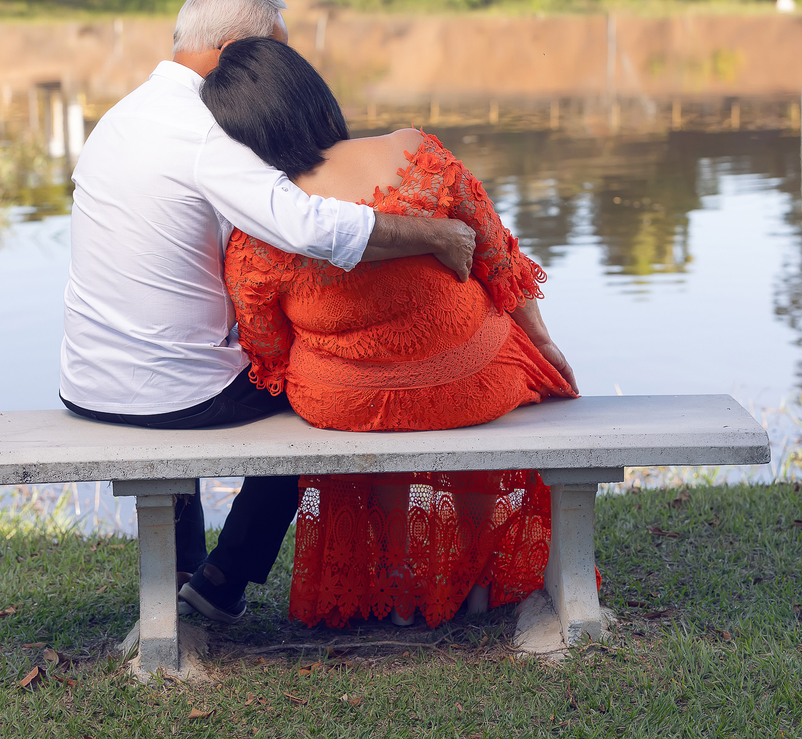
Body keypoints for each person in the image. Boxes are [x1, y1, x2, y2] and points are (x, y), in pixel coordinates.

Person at [58, 0, 476, 624]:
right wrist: (434, 235)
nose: (284, 67)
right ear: (234, 51)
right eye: (277, 50)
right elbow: (307, 225)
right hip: (171, 397)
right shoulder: (207, 131)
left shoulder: (122, 116)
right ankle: (223, 579)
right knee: (317, 395)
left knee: (198, 358)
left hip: (87, 384)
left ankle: (184, 566)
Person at [201, 37, 579, 628]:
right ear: (312, 92)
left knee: (375, 394)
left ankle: (401, 585)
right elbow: (497, 256)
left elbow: (268, 349)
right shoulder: (413, 152)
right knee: (475, 362)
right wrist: (542, 342)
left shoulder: (263, 226)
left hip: (343, 402)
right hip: (469, 382)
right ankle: (474, 577)